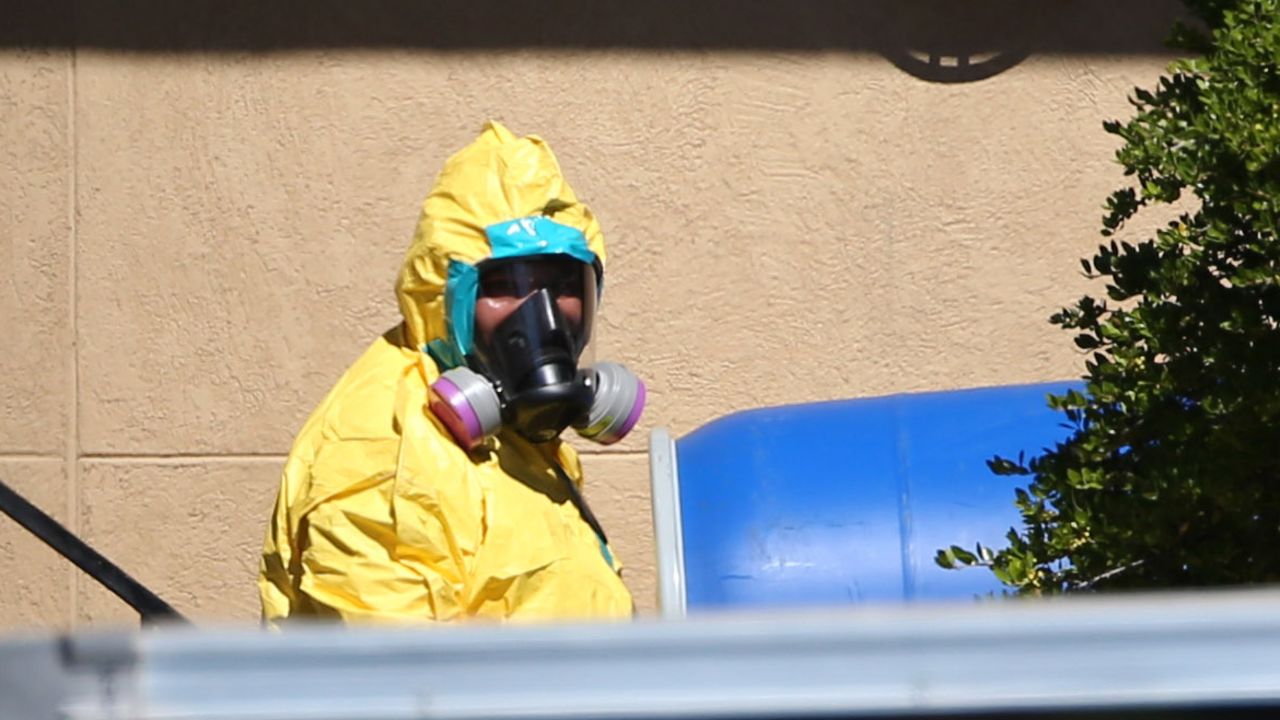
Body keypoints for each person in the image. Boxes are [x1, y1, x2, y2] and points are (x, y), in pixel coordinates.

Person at [258, 122, 645, 623]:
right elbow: (397, 685)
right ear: (445, 299)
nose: (542, 317)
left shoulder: (509, 435)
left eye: (562, 285)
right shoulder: (385, 452)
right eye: (504, 285)